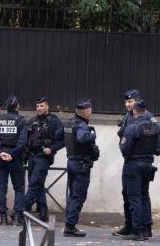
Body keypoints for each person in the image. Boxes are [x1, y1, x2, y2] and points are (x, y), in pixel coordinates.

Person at [117, 100, 160, 241]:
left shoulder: (132, 127)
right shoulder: (154, 128)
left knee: (134, 197)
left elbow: (124, 149)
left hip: (133, 165)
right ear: (145, 110)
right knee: (144, 196)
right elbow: (159, 150)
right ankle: (147, 228)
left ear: (135, 111)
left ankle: (137, 231)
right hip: (148, 165)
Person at [112, 89, 147, 237]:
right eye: (126, 102)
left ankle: (140, 228)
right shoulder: (127, 117)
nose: (128, 104)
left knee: (138, 196)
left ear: (137, 101)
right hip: (129, 160)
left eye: (130, 101)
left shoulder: (146, 116)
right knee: (126, 194)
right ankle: (129, 225)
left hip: (138, 160)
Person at [63, 98, 100, 237]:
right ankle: (70, 226)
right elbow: (82, 138)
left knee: (73, 195)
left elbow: (61, 138)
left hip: (72, 162)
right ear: (85, 113)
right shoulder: (82, 126)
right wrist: (93, 135)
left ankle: (69, 222)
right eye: (90, 110)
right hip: (81, 165)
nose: (91, 112)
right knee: (78, 196)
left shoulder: (69, 123)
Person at [0, 95, 28, 226]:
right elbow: (22, 142)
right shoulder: (21, 120)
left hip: (1, 158)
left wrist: (0, 153)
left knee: (1, 188)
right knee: (19, 188)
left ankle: (3, 218)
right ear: (17, 107)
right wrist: (12, 154)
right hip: (15, 158)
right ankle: (17, 217)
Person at [23, 96, 64, 222]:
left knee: (35, 183)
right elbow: (26, 138)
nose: (39, 108)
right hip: (31, 156)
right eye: (37, 106)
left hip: (43, 158)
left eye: (42, 106)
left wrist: (51, 149)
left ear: (47, 106)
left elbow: (63, 140)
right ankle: (43, 212)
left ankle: (21, 210)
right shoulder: (32, 120)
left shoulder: (55, 121)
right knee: (37, 183)